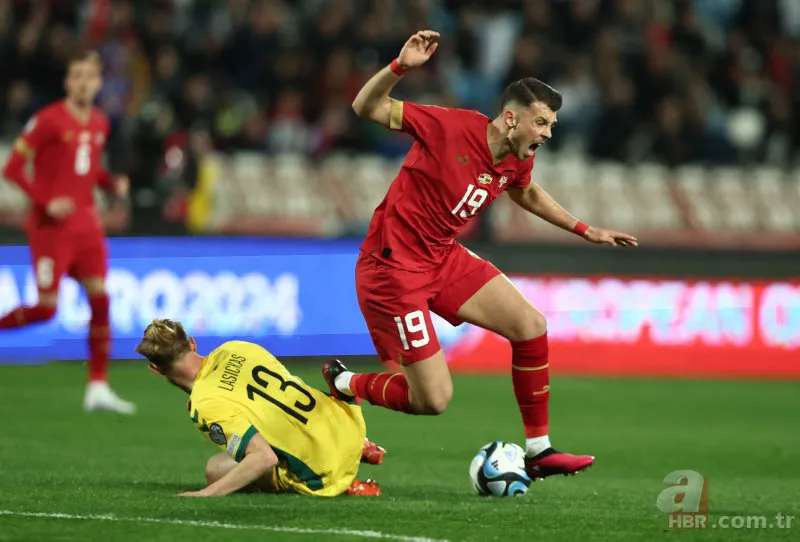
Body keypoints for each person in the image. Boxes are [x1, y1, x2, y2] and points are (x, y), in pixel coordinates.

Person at [322, 30, 639, 480]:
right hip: (394, 269)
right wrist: (400, 68)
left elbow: (525, 192)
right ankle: (343, 383)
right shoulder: (450, 127)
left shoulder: (516, 155)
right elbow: (365, 107)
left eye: (551, 125)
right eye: (542, 123)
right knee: (432, 400)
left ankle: (539, 450)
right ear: (511, 119)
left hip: (443, 257)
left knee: (531, 326)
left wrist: (584, 230)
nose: (548, 134)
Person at [0, 50, 134, 414]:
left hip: (87, 225)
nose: (83, 83)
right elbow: (12, 168)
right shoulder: (47, 120)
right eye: (76, 76)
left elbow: (88, 171)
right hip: (51, 229)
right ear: (67, 82)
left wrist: (111, 184)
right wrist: (45, 202)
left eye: (89, 77)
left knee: (101, 299)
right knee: (46, 309)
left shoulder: (100, 123)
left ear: (99, 82)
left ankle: (98, 386)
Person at [135, 319, 384, 497]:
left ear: (155, 369)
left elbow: (264, 459)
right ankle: (353, 438)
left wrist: (207, 493)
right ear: (192, 342)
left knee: (216, 469)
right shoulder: (237, 348)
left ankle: (343, 481)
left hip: (324, 474)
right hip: (348, 422)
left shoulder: (204, 404)